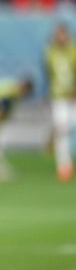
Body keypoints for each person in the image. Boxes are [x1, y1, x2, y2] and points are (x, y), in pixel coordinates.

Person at [43, 23, 76, 182]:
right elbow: (49, 74)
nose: (60, 37)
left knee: (68, 128)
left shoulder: (73, 51)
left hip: (74, 96)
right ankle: (64, 166)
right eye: (58, 34)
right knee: (61, 130)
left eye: (63, 34)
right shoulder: (49, 52)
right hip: (58, 97)